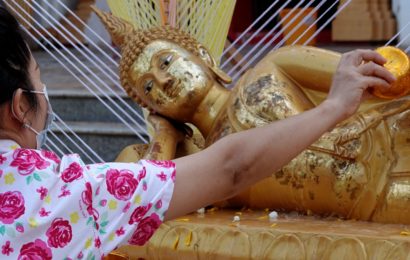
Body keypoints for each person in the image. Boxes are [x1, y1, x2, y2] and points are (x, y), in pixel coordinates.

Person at [0, 7, 395, 258]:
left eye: (167, 61)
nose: (163, 81)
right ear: (22, 105)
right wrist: (164, 139)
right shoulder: (63, 193)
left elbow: (382, 87)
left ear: (202, 56)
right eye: (148, 88)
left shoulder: (273, 68)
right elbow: (230, 167)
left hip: (382, 145)